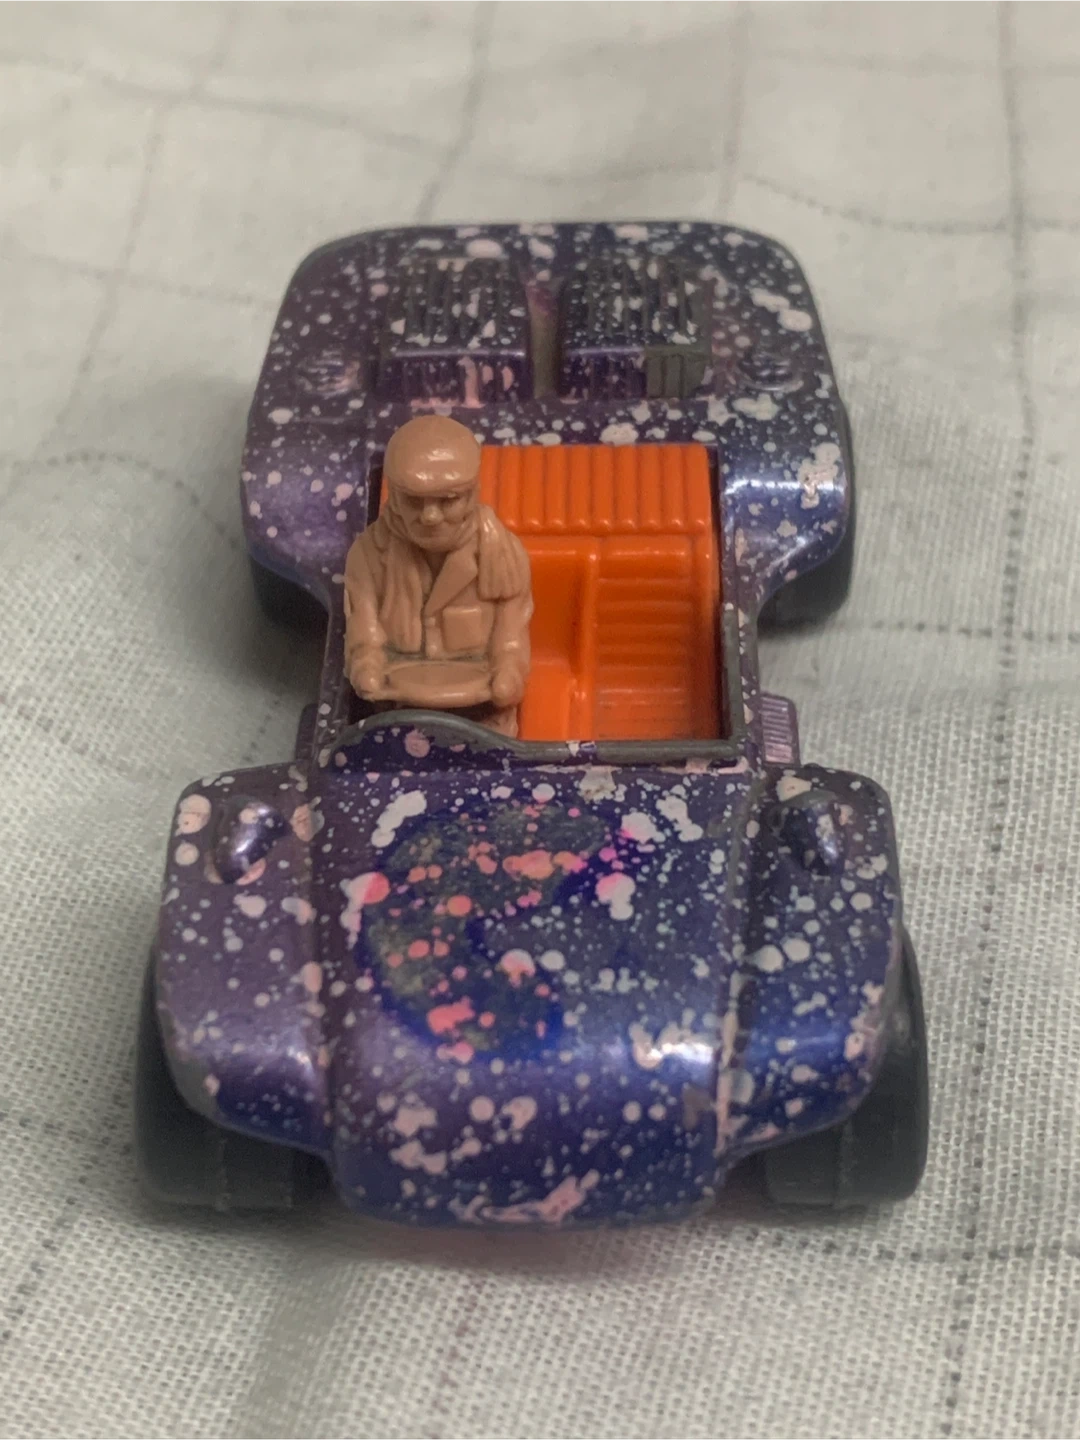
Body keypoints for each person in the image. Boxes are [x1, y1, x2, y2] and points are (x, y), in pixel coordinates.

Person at [343, 415, 532, 736]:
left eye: (448, 500)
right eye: (413, 501)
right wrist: (367, 666)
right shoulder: (369, 555)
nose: (430, 516)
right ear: (394, 495)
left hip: (480, 707)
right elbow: (365, 632)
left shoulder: (502, 555)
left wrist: (508, 673)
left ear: (473, 493)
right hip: (397, 704)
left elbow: (511, 635)